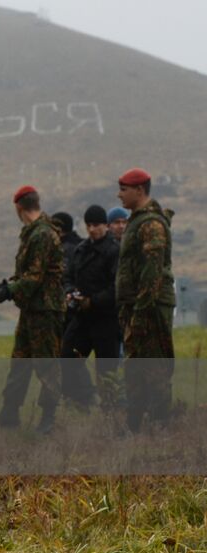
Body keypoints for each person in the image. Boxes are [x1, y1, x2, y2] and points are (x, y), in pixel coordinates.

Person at [0, 186, 64, 434]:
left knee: (46, 365)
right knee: (20, 361)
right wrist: (5, 288)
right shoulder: (34, 233)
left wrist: (10, 291)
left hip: (45, 309)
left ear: (18, 207)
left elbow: (34, 277)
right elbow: (28, 275)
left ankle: (49, 418)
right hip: (32, 309)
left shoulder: (41, 234)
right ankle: (9, 413)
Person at [114, 168, 176, 430]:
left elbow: (152, 272)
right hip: (136, 307)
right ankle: (134, 426)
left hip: (149, 309)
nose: (120, 195)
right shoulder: (137, 221)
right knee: (135, 369)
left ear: (139, 190)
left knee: (154, 368)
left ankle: (160, 427)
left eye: (124, 189)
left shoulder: (151, 223)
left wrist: (141, 311)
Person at [60, 204, 121, 410]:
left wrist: (93, 301)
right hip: (83, 319)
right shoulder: (81, 250)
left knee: (107, 372)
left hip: (106, 320)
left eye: (96, 225)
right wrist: (70, 292)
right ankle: (82, 399)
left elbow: (116, 288)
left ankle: (113, 415)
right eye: (89, 225)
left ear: (105, 225)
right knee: (68, 356)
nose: (92, 229)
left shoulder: (114, 251)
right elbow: (68, 277)